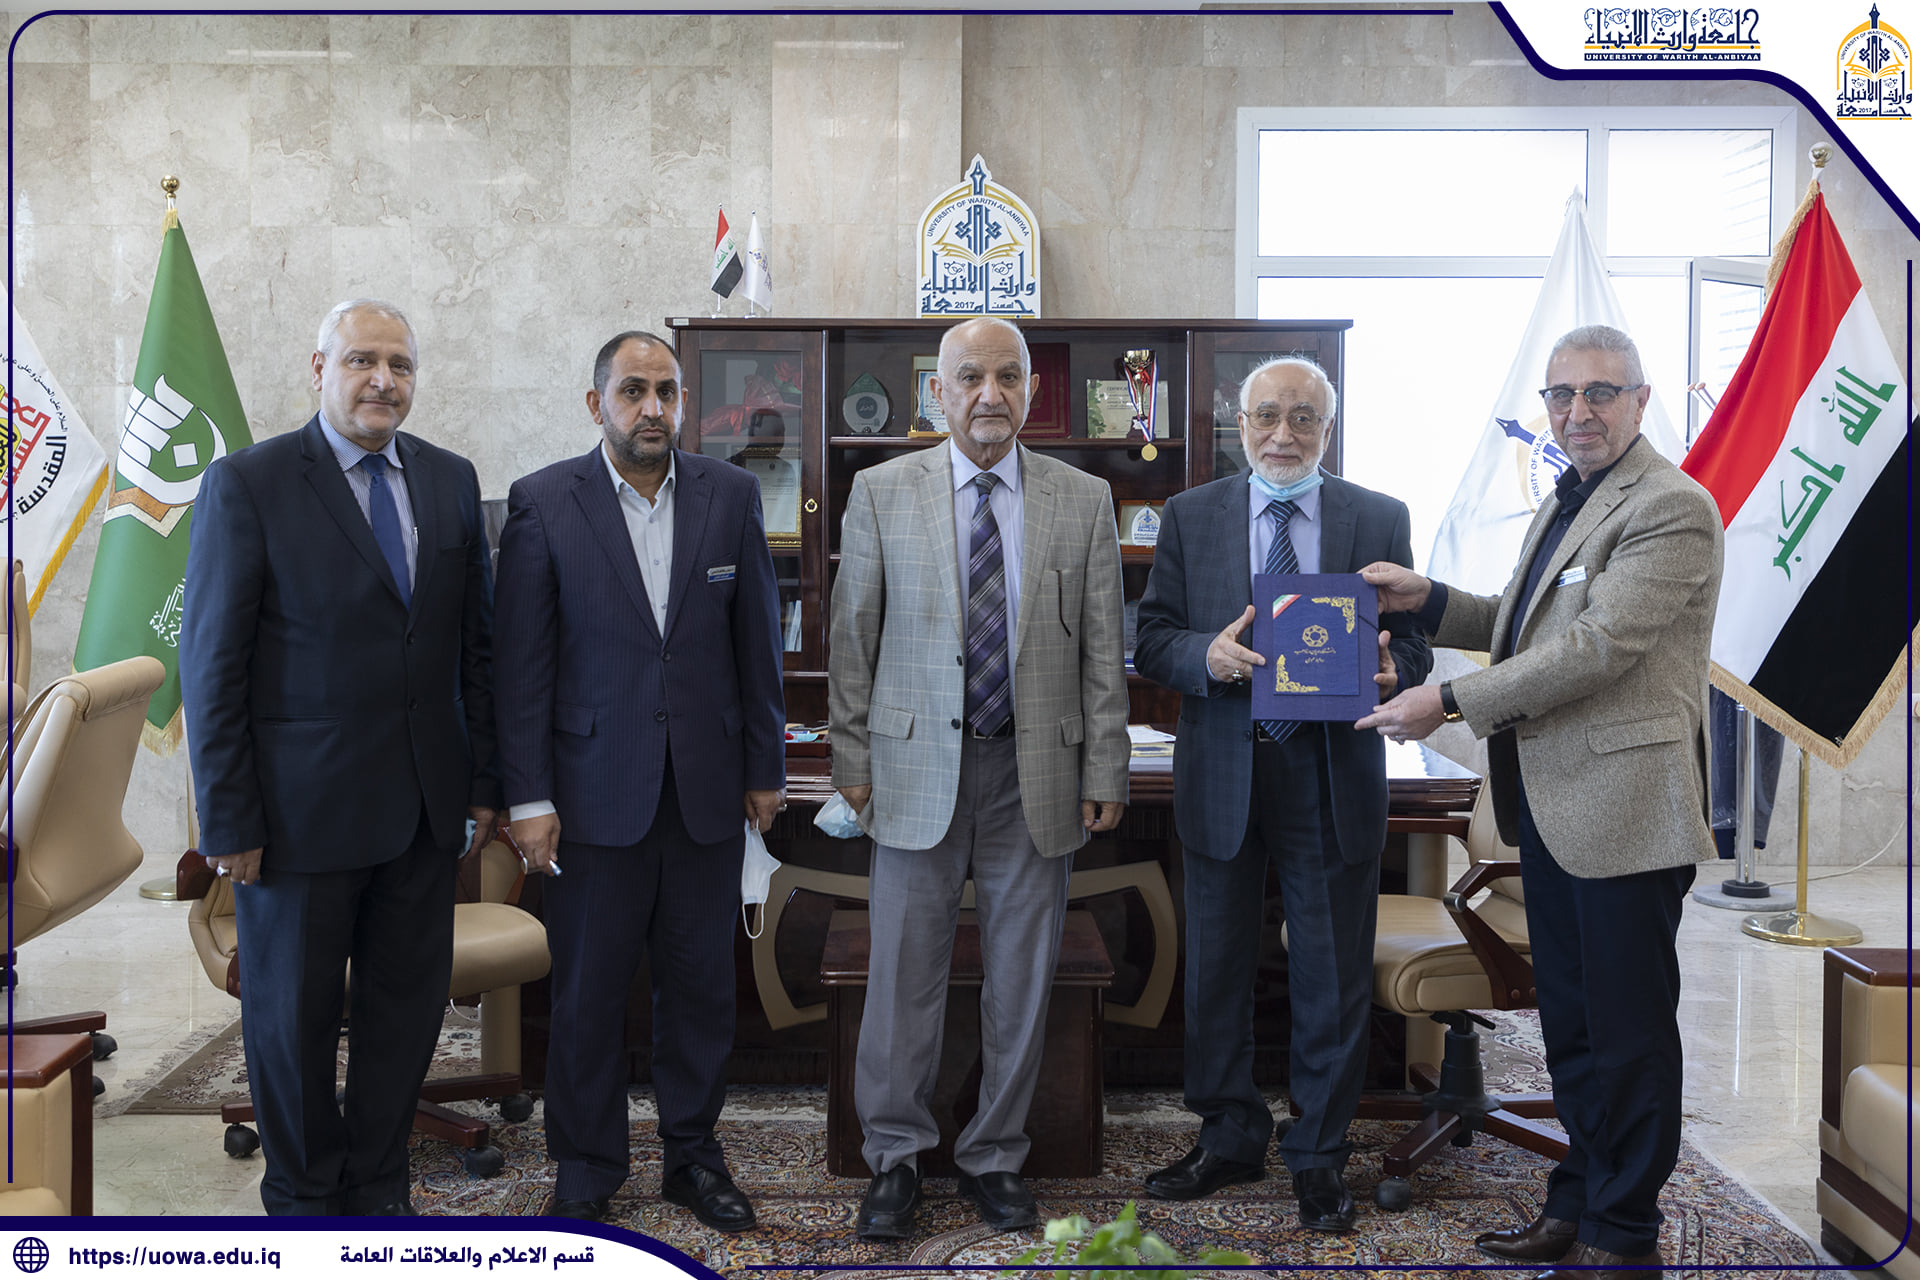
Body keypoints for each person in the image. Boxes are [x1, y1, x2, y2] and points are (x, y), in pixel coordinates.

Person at [1359, 324, 1722, 1280]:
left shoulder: (1671, 506)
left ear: (1641, 401)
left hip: (1627, 811)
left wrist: (1445, 699)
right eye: (1561, 395)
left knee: (1627, 1036)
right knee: (1574, 1031)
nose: (1578, 411)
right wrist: (1428, 597)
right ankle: (1579, 1200)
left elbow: (1596, 650)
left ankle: (1625, 1234)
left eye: (1600, 392)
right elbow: (1521, 626)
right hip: (1556, 809)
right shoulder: (1570, 498)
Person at [180, 298, 501, 1216]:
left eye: (400, 365)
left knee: (406, 1018)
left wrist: (483, 782)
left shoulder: (448, 480)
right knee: (292, 1027)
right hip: (295, 820)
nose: (383, 381)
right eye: (362, 360)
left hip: (423, 811)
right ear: (319, 368)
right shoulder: (249, 483)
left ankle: (379, 1189)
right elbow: (212, 665)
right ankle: (304, 1201)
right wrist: (228, 818)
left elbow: (474, 650)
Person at [828, 316, 1129, 1240]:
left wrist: (1106, 765)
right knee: (902, 981)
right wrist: (853, 761)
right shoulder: (882, 491)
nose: (989, 394)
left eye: (1007, 377)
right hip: (912, 771)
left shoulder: (1084, 498)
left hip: (1035, 773)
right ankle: (895, 1158)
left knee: (1021, 981)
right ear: (938, 393)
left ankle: (995, 1156)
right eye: (970, 377)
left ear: (1031, 391)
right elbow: (853, 638)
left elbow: (1104, 650)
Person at [492, 331, 785, 1229]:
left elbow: (758, 646)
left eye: (666, 391)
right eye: (632, 391)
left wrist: (765, 769)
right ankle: (586, 1168)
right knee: (587, 996)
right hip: (588, 799)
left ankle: (693, 1158)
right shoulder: (545, 502)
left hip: (706, 794)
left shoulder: (730, 496)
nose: (652, 408)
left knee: (700, 994)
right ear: (597, 405)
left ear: (683, 402)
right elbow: (521, 669)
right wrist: (529, 798)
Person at [1132, 356, 1430, 1231]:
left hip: (1331, 774)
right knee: (1216, 969)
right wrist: (1207, 656)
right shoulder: (1192, 514)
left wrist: (1395, 670)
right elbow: (1152, 637)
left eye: (1304, 417)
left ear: (1327, 429)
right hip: (1225, 769)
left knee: (1331, 975)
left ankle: (1319, 1156)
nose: (1283, 434)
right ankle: (1227, 1137)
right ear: (1241, 425)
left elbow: (1413, 645)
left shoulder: (1378, 516)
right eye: (1267, 415)